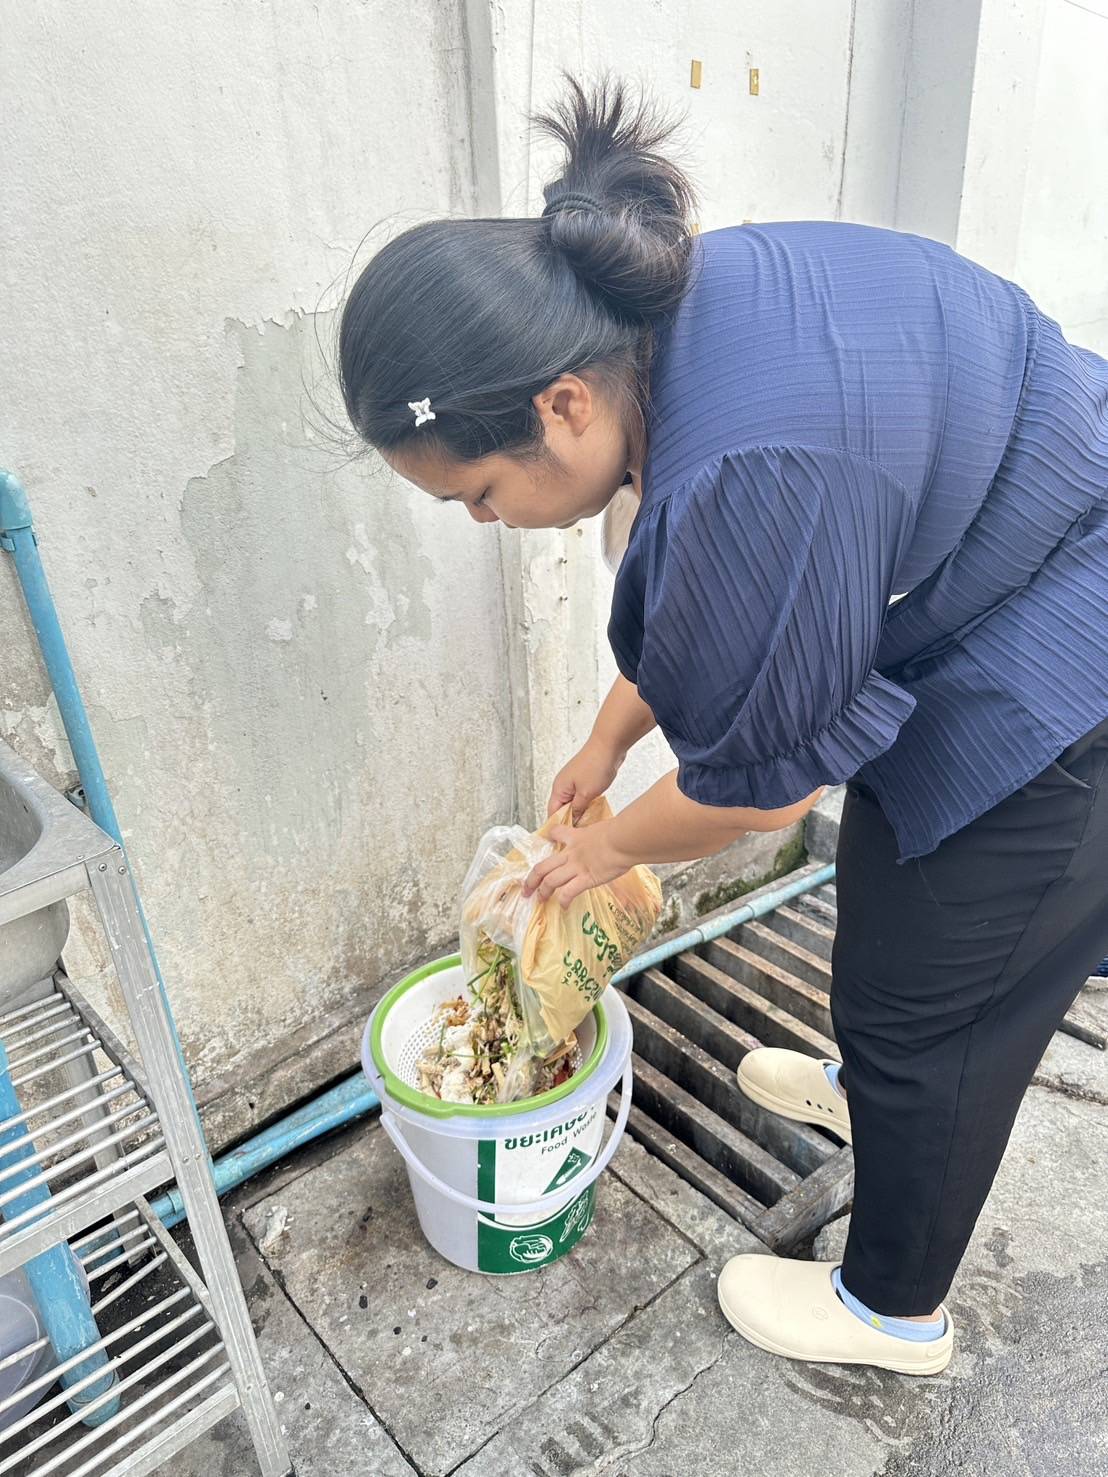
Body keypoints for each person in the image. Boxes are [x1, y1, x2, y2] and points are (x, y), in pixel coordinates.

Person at [336, 79, 1108, 1376]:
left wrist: (597, 851)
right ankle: (871, 1095)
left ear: (560, 406)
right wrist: (606, 739)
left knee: (939, 1007)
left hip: (1071, 645)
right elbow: (739, 614)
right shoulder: (666, 329)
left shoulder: (746, 466)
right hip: (997, 579)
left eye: (479, 493)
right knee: (890, 897)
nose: (485, 523)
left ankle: (891, 1309)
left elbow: (763, 793)